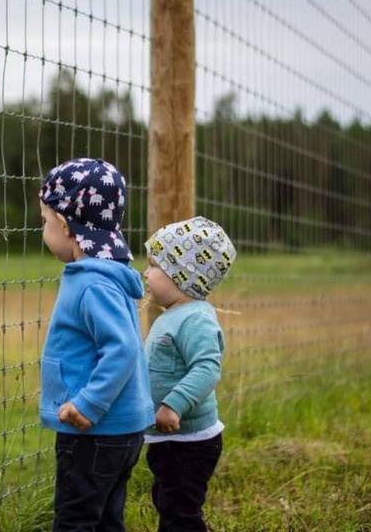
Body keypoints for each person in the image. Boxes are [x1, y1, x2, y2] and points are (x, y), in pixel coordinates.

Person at [38, 157, 155, 531]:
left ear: (66, 225)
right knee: (105, 519)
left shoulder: (92, 285)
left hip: (93, 430)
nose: (43, 229)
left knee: (75, 520)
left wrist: (89, 403)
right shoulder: (106, 277)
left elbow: (122, 348)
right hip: (119, 431)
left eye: (44, 221)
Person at [142, 216, 237, 532]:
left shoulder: (195, 319)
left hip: (189, 441)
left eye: (154, 266)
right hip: (171, 438)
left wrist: (173, 405)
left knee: (181, 512)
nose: (146, 273)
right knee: (169, 502)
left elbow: (207, 368)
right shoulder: (174, 315)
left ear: (182, 275)